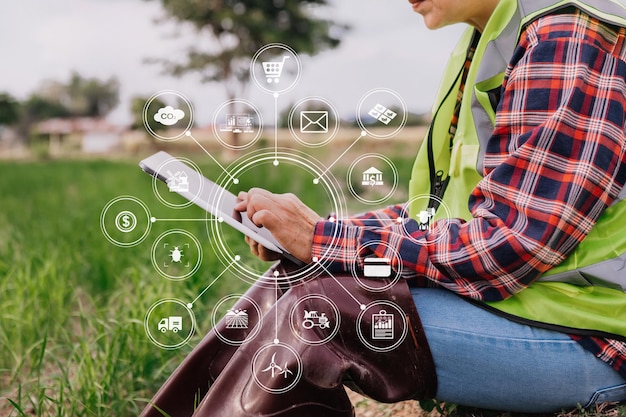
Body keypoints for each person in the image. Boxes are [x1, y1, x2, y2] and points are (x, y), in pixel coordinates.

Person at [139, 0, 626, 415]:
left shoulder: (568, 35)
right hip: (524, 307)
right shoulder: (488, 38)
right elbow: (435, 213)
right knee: (290, 279)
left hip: (589, 336)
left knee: (318, 312)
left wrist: (323, 239)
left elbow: (511, 247)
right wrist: (316, 233)